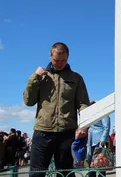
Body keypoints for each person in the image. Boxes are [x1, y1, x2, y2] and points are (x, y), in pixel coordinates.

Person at [23, 42, 90, 177]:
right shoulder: (41, 77)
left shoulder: (76, 78)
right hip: (42, 133)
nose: (59, 63)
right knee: (36, 174)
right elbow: (28, 102)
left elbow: (83, 105)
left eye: (63, 60)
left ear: (68, 57)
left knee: (65, 174)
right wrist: (33, 78)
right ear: (50, 56)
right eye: (56, 60)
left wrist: (84, 127)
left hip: (66, 134)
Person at [87, 101, 111, 177]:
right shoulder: (92, 115)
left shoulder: (103, 113)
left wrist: (103, 140)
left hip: (99, 141)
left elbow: (106, 127)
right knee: (91, 163)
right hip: (91, 141)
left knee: (101, 164)